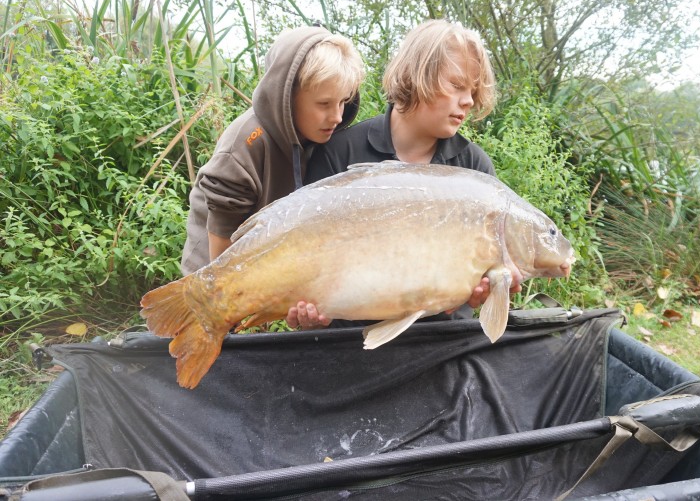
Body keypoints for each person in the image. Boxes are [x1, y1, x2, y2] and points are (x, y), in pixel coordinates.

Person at [287, 19, 521, 330]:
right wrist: (309, 314)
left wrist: (492, 286)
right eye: (457, 85)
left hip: (441, 338)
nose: (468, 100)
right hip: (347, 342)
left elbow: (488, 273)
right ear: (417, 76)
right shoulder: (339, 152)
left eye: (473, 91)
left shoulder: (473, 168)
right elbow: (307, 265)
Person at [181, 25, 365, 274]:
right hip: (213, 272)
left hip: (267, 266)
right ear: (287, 95)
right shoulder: (243, 147)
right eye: (324, 104)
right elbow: (222, 263)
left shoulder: (318, 134)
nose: (337, 117)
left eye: (343, 101)